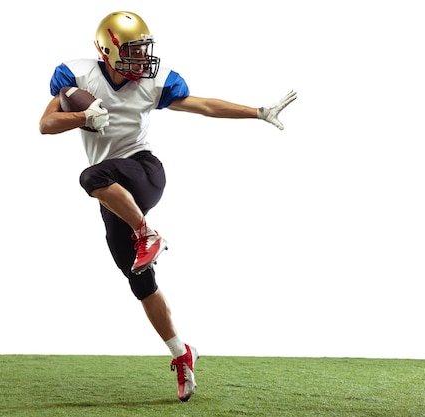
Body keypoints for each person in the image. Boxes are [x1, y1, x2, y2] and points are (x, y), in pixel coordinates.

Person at [39, 10, 296, 402]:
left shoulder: (152, 84)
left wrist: (258, 112)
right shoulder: (77, 76)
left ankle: (148, 233)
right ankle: (182, 353)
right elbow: (46, 125)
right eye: (134, 50)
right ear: (108, 50)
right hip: (113, 194)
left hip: (144, 172)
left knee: (90, 177)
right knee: (140, 282)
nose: (143, 59)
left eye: (145, 50)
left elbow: (205, 106)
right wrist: (82, 116)